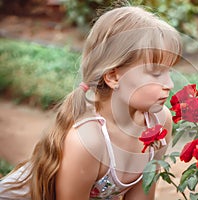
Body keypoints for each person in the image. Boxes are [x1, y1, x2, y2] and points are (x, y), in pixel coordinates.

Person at [0, 6, 182, 200]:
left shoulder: (159, 121)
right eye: (155, 73)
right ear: (113, 76)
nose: (169, 84)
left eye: (169, 71)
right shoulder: (88, 142)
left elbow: (141, 196)